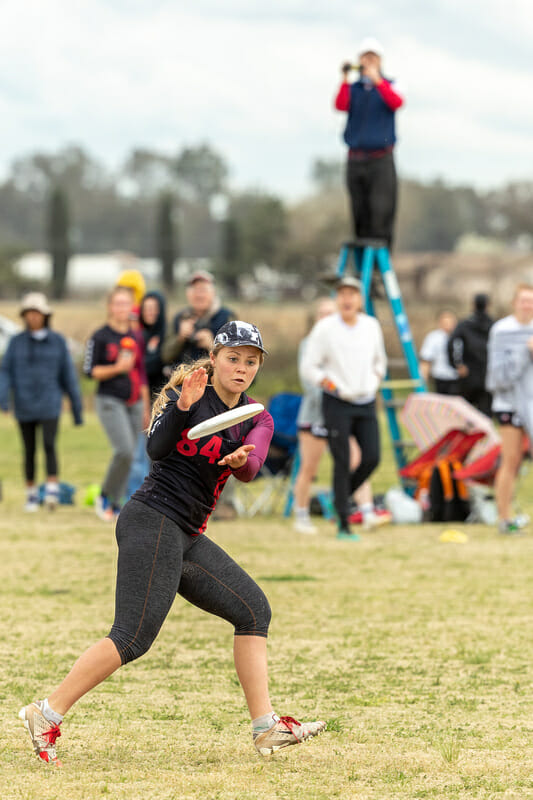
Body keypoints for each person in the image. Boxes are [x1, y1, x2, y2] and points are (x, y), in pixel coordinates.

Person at [18, 320, 326, 766]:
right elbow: (157, 450)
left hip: (186, 532)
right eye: (233, 359)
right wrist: (183, 406)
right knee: (133, 637)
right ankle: (44, 713)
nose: (241, 369)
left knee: (253, 610)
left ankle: (266, 728)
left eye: (250, 362)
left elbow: (253, 466)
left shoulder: (256, 415)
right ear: (215, 358)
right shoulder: (190, 393)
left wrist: (242, 459)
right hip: (152, 519)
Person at [293, 297, 390, 534]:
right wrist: (337, 391)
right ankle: (301, 515)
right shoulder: (310, 342)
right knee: (309, 468)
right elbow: (310, 381)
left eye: (330, 312)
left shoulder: (349, 339)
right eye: (322, 313)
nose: (326, 317)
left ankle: (365, 511)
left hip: (343, 413)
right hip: (317, 415)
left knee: (356, 460)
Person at [0, 292, 83, 511]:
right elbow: (5, 371)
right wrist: (4, 400)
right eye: (29, 313)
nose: (33, 317)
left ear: (45, 315)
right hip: (24, 403)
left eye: (37, 313)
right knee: (28, 449)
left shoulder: (57, 341)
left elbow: (68, 376)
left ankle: (52, 494)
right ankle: (31, 495)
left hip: (50, 403)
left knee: (49, 445)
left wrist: (76, 408)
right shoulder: (16, 342)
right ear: (24, 316)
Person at [83, 286, 150, 521]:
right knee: (123, 450)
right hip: (109, 400)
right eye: (117, 303)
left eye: (126, 304)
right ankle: (104, 496)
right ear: (110, 307)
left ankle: (117, 502)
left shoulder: (135, 337)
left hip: (134, 401)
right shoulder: (100, 336)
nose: (122, 308)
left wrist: (145, 405)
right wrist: (117, 369)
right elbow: (89, 371)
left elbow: (141, 373)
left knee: (131, 455)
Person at [334, 37, 404, 246]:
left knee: (381, 211)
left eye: (373, 57)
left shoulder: (391, 84)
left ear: (380, 61)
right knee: (359, 213)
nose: (369, 61)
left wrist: (377, 81)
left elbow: (396, 102)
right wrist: (345, 78)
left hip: (381, 159)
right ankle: (360, 267)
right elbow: (340, 105)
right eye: (365, 57)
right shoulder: (353, 88)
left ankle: (379, 267)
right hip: (356, 159)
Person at [486, 284, 533, 534]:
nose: (528, 305)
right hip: (509, 404)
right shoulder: (501, 330)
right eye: (524, 300)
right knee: (511, 460)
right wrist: (525, 353)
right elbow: (497, 377)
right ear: (515, 302)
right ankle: (504, 518)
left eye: (531, 301)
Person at [161, 270, 233, 370]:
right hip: (183, 381)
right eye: (195, 290)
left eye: (203, 290)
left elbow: (236, 359)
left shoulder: (227, 318)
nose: (199, 295)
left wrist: (212, 346)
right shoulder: (180, 318)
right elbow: (165, 357)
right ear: (188, 295)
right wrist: (180, 338)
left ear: (213, 293)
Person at [447, 293, 494, 416]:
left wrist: (456, 364)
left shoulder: (464, 324)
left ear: (473, 305)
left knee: (465, 414)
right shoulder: (494, 324)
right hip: (487, 373)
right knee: (485, 415)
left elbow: (451, 343)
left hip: (468, 373)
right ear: (488, 305)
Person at [419, 310, 459, 394]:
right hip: (440, 378)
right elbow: (426, 360)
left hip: (457, 379)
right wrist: (423, 380)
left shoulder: (460, 337)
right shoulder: (433, 337)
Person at [139, 290, 167, 400]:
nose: (149, 312)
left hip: (162, 395)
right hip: (142, 395)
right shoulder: (139, 334)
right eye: (145, 309)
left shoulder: (167, 333)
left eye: (153, 308)